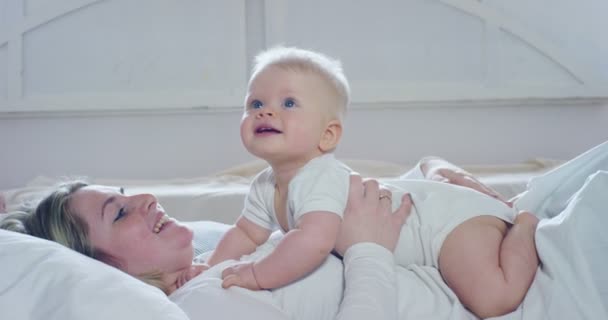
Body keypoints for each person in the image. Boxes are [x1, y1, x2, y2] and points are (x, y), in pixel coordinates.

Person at [208, 46, 539, 319]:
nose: (265, 112)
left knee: (493, 299)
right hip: (428, 213)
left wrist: (257, 274)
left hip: (446, 224)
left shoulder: (318, 176)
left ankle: (524, 222)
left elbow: (313, 242)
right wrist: (210, 267)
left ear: (328, 135)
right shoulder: (265, 184)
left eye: (289, 103)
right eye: (255, 103)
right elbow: (246, 233)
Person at [0, 174, 412, 320]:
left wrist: (432, 169)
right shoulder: (202, 304)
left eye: (125, 195)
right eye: (120, 213)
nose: (144, 197)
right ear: (104, 269)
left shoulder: (213, 262)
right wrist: (368, 250)